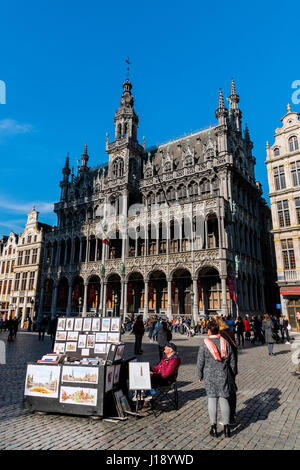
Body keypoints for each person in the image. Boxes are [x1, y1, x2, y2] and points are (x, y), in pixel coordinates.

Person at [197, 319, 237, 438]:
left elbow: (200, 361)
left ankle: (213, 428)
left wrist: (199, 375)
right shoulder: (225, 342)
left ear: (209, 330)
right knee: (224, 400)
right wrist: (233, 373)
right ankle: (226, 428)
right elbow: (232, 360)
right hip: (223, 374)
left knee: (212, 400)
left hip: (209, 376)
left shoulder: (205, 344)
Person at [217, 317, 238, 425]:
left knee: (227, 391)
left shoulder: (222, 336)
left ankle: (229, 418)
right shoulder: (230, 332)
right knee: (231, 390)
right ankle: (232, 414)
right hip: (232, 365)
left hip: (226, 367)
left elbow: (223, 353)